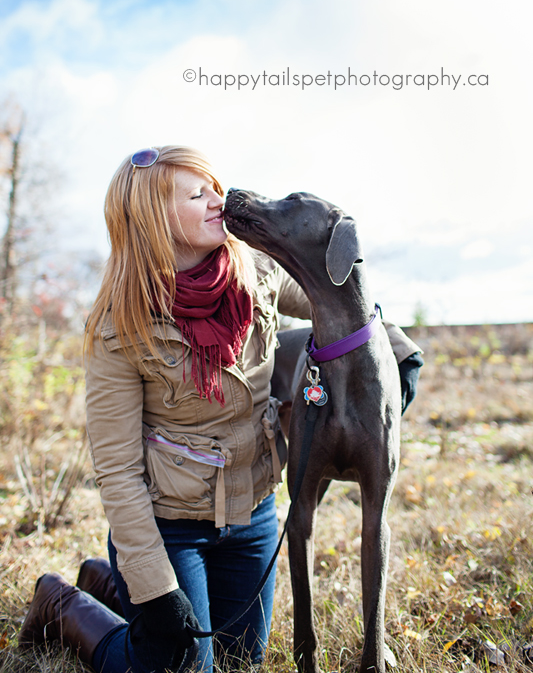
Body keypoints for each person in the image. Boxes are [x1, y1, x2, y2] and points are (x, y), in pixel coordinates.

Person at [18, 145, 422, 673]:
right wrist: (156, 589)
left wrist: (397, 347)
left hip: (249, 512)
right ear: (154, 218)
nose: (218, 198)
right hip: (171, 523)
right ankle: (63, 605)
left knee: (239, 661)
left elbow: (340, 298)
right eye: (197, 193)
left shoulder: (256, 269)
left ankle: (104, 583)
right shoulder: (118, 325)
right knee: (180, 662)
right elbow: (116, 471)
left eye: (213, 184)